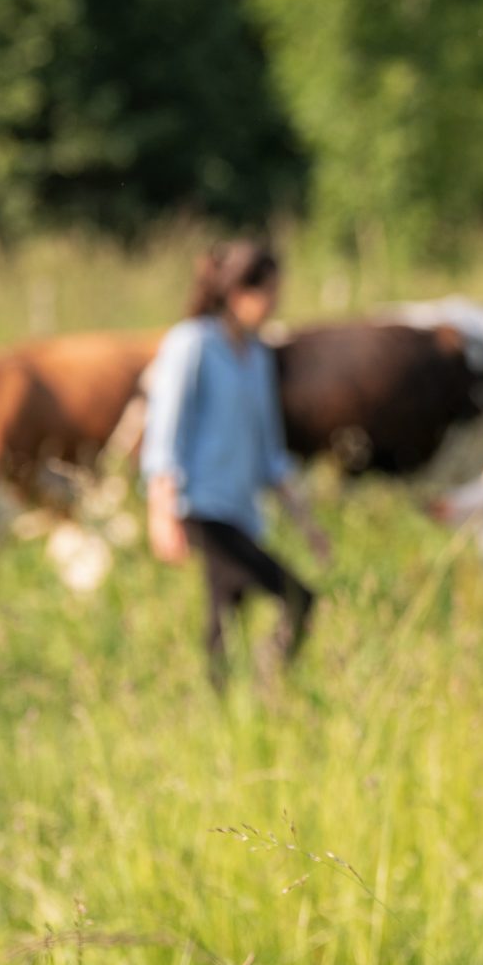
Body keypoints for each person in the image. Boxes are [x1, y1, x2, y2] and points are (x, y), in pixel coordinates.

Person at [141, 240, 331, 690]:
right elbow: (166, 428)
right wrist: (161, 509)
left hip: (242, 511)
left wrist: (306, 522)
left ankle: (222, 712)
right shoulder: (192, 343)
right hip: (202, 507)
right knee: (297, 598)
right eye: (267, 293)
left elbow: (270, 453)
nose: (273, 305)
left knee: (224, 618)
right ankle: (266, 685)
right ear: (236, 292)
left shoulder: (258, 357)